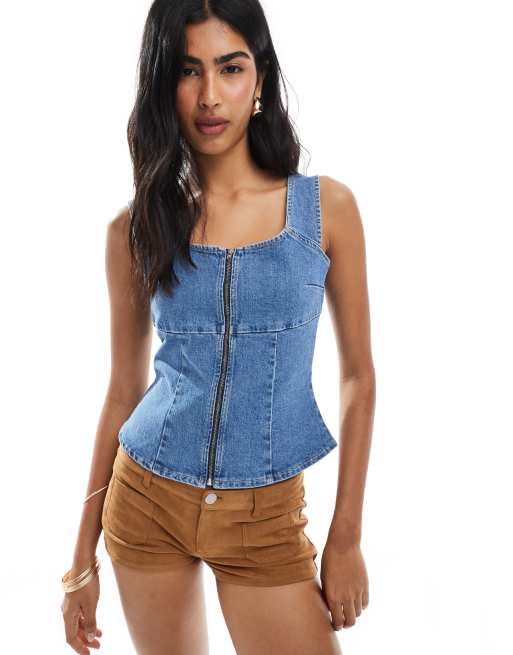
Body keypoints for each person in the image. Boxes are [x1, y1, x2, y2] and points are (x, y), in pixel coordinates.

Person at [60, 1, 375, 653]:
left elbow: (358, 377)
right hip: (145, 502)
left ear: (259, 78)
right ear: (163, 85)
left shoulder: (326, 210)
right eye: (187, 70)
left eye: (230, 68)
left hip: (265, 520)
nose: (209, 95)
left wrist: (345, 535)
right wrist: (80, 558)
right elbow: (123, 392)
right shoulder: (135, 229)